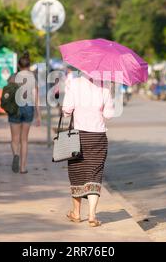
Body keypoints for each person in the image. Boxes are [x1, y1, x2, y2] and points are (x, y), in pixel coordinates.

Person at [62, 71, 115, 227]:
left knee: (76, 172)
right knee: (95, 173)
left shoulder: (74, 83)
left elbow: (66, 110)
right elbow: (109, 114)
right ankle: (92, 216)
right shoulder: (105, 85)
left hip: (78, 135)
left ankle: (76, 213)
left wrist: (68, 111)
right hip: (97, 137)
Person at [8, 52, 41, 174]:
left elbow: (7, 95)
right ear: (29, 65)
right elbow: (36, 97)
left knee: (14, 139)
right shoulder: (33, 78)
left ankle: (16, 154)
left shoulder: (12, 77)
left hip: (15, 108)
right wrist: (39, 114)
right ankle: (22, 168)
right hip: (28, 108)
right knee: (24, 140)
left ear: (18, 65)